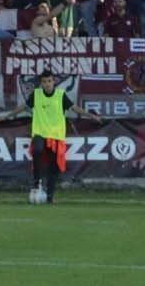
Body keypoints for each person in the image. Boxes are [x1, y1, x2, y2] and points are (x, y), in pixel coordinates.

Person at [20, 67, 94, 204]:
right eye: (44, 82)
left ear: (54, 81)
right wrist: (6, 116)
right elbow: (23, 107)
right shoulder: (36, 94)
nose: (47, 84)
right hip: (40, 132)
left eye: (49, 81)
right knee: (37, 149)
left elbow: (74, 108)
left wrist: (91, 116)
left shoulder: (60, 95)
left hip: (55, 136)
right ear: (41, 84)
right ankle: (36, 182)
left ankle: (50, 197)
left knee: (53, 167)